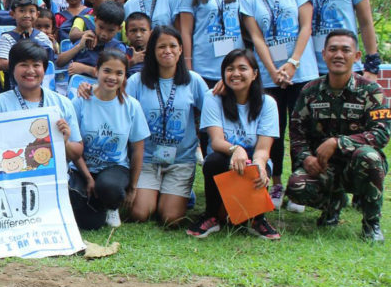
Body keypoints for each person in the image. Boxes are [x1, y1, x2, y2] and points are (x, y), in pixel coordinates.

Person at [285, 30, 389, 242]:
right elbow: (296, 133)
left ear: (357, 56)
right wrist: (306, 158)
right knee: (296, 186)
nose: (338, 55)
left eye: (345, 50)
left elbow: (381, 133)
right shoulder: (310, 91)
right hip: (324, 166)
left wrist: (338, 142)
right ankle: (333, 204)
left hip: (358, 165)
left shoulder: (372, 91)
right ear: (324, 54)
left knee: (370, 157)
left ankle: (371, 224)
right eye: (333, 49)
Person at [239, 0, 319, 209]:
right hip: (268, 75)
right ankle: (276, 183)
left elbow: (306, 27)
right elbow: (256, 38)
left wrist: (293, 63)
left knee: (300, 130)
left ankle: (300, 185)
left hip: (301, 72)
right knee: (272, 130)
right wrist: (273, 71)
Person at [188, 49, 280, 240]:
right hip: (224, 161)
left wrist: (259, 165)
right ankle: (212, 215)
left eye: (242, 68)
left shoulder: (268, 103)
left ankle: (257, 219)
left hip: (251, 163)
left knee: (259, 167)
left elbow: (263, 149)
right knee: (213, 160)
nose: (235, 73)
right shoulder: (213, 97)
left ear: (254, 74)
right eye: (230, 69)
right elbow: (216, 141)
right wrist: (236, 149)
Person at [127, 26, 208, 224]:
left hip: (180, 161)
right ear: (152, 51)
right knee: (140, 213)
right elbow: (119, 107)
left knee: (170, 218)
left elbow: (211, 109)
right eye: (161, 46)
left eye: (173, 46)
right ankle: (160, 192)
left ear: (180, 49)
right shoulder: (137, 81)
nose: (167, 51)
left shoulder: (194, 81)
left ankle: (176, 193)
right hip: (147, 160)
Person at [70, 50, 149, 229]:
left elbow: (138, 149)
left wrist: (132, 187)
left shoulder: (132, 106)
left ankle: (112, 206)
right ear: (96, 71)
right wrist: (88, 178)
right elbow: (74, 145)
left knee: (108, 187)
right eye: (107, 71)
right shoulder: (80, 101)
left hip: (114, 169)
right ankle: (94, 205)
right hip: (82, 168)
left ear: (125, 77)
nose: (112, 77)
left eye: (119, 73)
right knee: (89, 223)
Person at [57, 1, 127, 77]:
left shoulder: (118, 48)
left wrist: (84, 69)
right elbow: (59, 62)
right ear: (95, 20)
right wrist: (79, 46)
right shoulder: (86, 39)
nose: (104, 34)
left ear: (119, 29)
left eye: (110, 30)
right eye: (101, 27)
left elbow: (113, 77)